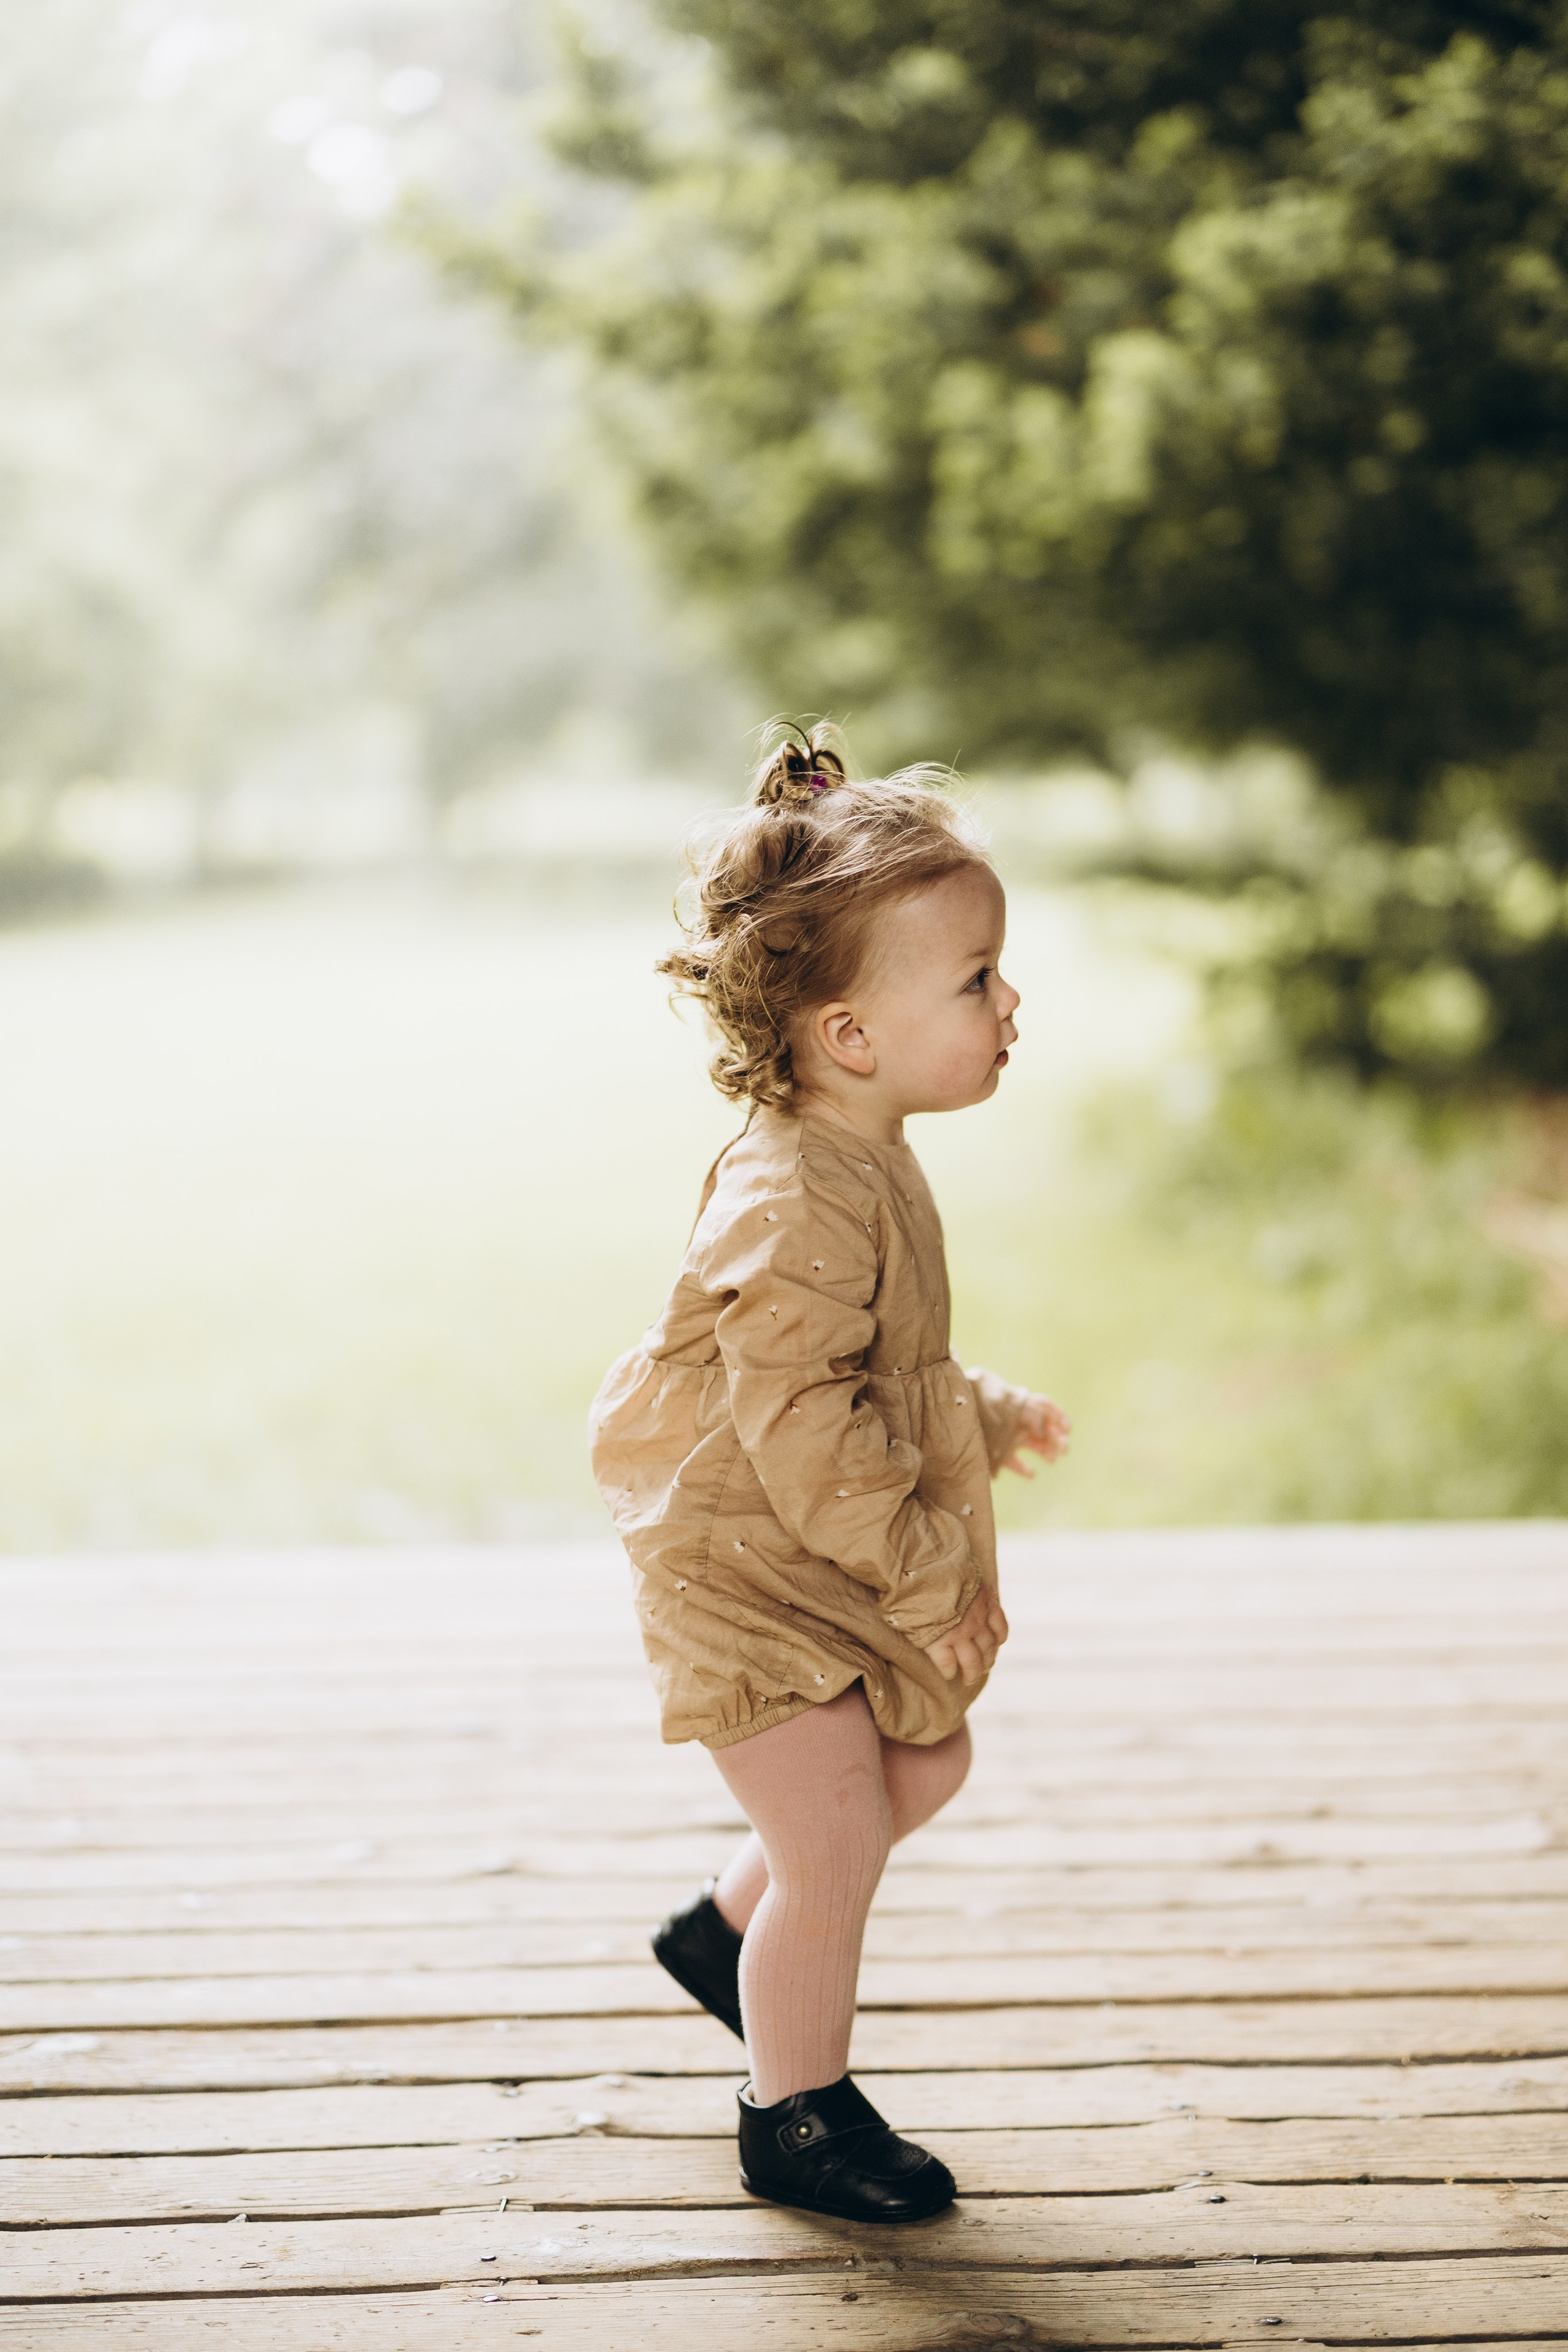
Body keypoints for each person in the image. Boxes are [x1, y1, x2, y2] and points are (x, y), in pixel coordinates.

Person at [589, 720, 1070, 2225]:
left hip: (799, 1535)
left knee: (922, 1762)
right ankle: (791, 2116)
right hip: (742, 1558)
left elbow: (865, 1372)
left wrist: (973, 1414)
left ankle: (723, 1936)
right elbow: (801, 1432)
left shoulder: (859, 1147)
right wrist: (930, 1580)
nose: (1009, 1002)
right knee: (840, 1833)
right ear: (850, 1033)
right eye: (976, 980)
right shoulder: (799, 1189)